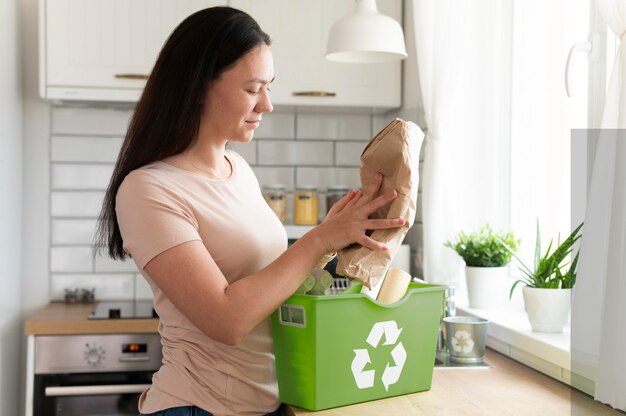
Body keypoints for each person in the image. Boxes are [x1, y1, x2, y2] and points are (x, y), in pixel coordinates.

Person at [95, 6, 405, 416]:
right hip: (198, 406)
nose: (267, 104)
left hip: (269, 403)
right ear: (199, 86)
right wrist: (315, 241)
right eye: (253, 88)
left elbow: (268, 283)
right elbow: (225, 319)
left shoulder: (237, 169)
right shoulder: (148, 189)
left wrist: (332, 240)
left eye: (269, 87)